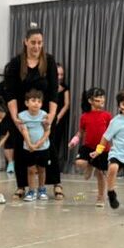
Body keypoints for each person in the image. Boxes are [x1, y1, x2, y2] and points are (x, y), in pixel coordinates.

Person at [2, 24, 59, 199]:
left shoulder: (49, 61)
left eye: (39, 43)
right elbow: (10, 93)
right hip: (21, 115)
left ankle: (55, 183)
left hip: (44, 114)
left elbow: (54, 92)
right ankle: (22, 186)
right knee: (21, 149)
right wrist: (15, 118)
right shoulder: (15, 63)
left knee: (49, 148)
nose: (36, 46)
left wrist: (51, 116)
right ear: (25, 42)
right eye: (33, 42)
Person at [72, 87, 111, 207]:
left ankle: (100, 197)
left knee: (100, 174)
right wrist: (75, 139)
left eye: (102, 99)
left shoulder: (107, 115)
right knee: (79, 163)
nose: (101, 102)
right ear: (90, 101)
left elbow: (111, 132)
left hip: (103, 148)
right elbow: (81, 131)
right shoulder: (85, 116)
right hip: (88, 146)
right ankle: (90, 164)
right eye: (98, 100)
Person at [18, 90, 52, 201]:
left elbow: (47, 131)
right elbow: (24, 131)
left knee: (42, 169)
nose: (36, 103)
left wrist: (38, 144)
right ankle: (31, 191)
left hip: (43, 147)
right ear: (27, 103)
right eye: (33, 101)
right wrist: (29, 144)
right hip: (29, 148)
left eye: (39, 101)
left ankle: (42, 189)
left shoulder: (44, 115)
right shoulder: (22, 116)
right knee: (31, 170)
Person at [49, 62, 71, 194]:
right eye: (58, 74)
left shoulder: (64, 88)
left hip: (59, 120)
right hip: (48, 119)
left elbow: (66, 104)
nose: (60, 76)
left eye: (62, 74)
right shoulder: (48, 87)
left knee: (56, 145)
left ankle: (55, 171)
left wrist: (57, 117)